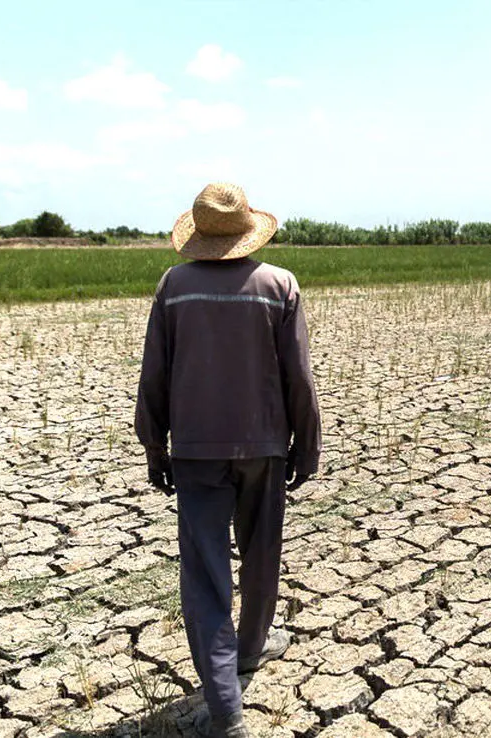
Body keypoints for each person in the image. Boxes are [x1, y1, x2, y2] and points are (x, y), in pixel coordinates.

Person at [135, 182, 322, 738]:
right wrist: (307, 443)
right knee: (262, 553)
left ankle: (225, 708)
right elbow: (299, 377)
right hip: (264, 447)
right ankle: (249, 650)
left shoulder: (174, 287)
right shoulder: (278, 285)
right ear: (246, 231)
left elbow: (155, 373)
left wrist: (154, 444)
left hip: (195, 451)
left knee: (206, 577)